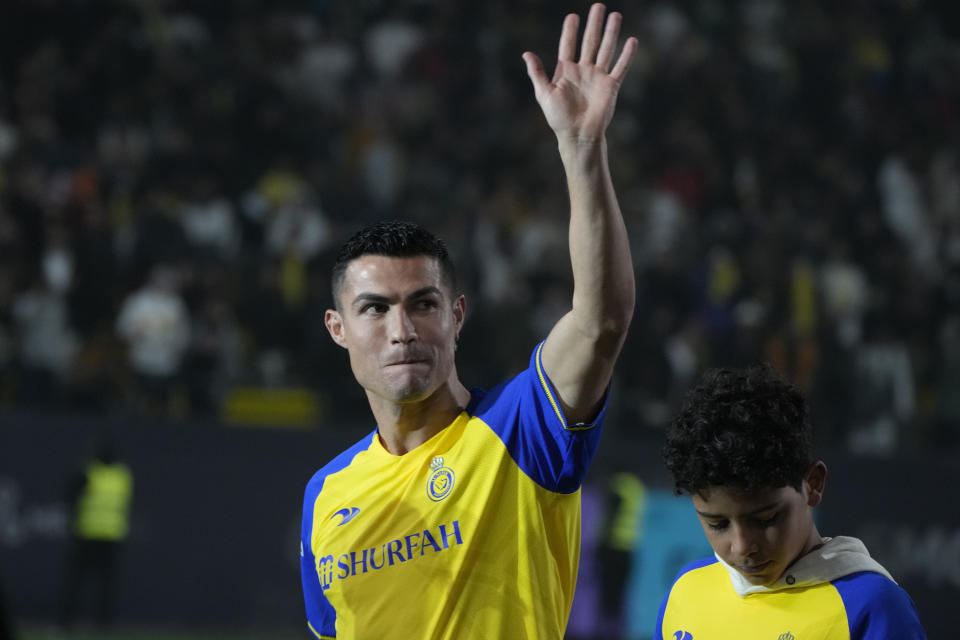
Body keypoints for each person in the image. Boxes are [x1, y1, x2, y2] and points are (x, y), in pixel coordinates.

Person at [299, 4, 637, 638]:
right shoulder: (325, 495)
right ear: (337, 327)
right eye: (374, 308)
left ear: (456, 316)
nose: (402, 328)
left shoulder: (521, 428)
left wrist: (582, 150)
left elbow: (601, 321)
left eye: (422, 304)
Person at [656, 364, 927, 639]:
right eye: (717, 524)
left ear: (813, 484)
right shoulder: (686, 590)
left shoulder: (869, 605)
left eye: (765, 520)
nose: (742, 547)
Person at [58, 434, 134, 632]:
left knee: (78, 582)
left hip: (88, 534)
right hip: (111, 536)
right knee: (105, 584)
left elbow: (69, 496)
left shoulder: (88, 473)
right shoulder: (123, 475)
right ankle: (104, 625)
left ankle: (68, 622)